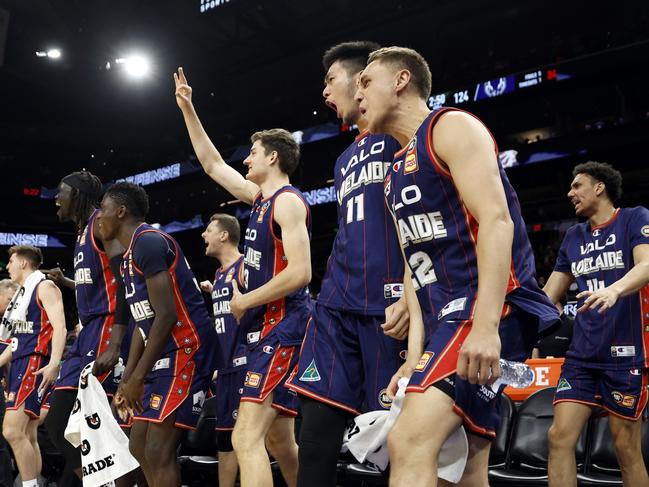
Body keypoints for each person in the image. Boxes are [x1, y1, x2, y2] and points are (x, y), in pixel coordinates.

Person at [355, 46, 559, 486]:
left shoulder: (450, 126)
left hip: (487, 308)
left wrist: (486, 326)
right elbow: (415, 266)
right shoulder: (391, 174)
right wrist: (412, 359)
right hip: (446, 318)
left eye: (366, 82)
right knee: (465, 465)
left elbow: (496, 220)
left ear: (401, 80)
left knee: (408, 442)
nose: (358, 96)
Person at [174, 67, 310, 487]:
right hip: (262, 326)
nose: (246, 159)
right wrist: (188, 109)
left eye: (253, 152)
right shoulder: (258, 200)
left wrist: (244, 300)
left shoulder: (287, 203)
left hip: (282, 324)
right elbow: (212, 163)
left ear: (273, 157)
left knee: (244, 435)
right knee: (279, 440)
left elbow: (302, 274)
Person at [283, 41, 408, 487]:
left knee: (386, 444)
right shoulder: (343, 158)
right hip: (336, 305)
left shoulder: (406, 135)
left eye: (330, 80)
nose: (324, 92)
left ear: (364, 81)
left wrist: (414, 295)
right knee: (314, 433)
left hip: (389, 305)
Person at [97, 182, 219, 487]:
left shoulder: (148, 242)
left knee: (157, 449)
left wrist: (137, 377)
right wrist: (130, 376)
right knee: (138, 446)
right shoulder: (127, 257)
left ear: (121, 211)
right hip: (164, 349)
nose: (99, 217)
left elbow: (166, 316)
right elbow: (144, 320)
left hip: (188, 347)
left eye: (104, 209)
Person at [543, 161, 649, 487]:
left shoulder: (634, 217)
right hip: (581, 357)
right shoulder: (573, 237)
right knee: (559, 437)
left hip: (626, 354)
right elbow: (549, 294)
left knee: (625, 447)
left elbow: (646, 264)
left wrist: (614, 290)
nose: (569, 193)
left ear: (599, 187)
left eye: (577, 186)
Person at [43, 171, 132, 481]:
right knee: (59, 425)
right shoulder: (83, 232)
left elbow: (124, 280)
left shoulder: (101, 224)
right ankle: (100, 478)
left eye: (61, 192)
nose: (56, 198)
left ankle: (115, 477)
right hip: (87, 333)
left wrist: (117, 342)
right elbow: (97, 281)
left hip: (107, 329)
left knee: (83, 422)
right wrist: (66, 281)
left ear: (77, 196)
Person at [1, 246, 66, 487]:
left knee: (11, 430)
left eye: (10, 261)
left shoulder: (44, 287)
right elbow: (16, 343)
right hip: (22, 360)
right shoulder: (22, 296)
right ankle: (32, 483)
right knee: (28, 434)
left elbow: (61, 327)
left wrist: (55, 363)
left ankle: (29, 485)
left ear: (23, 263)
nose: (7, 266)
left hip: (35, 362)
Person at [199, 214, 247, 487]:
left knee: (252, 440)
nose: (203, 235)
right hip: (226, 368)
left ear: (224, 235)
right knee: (225, 440)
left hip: (246, 366)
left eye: (208, 230)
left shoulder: (245, 267)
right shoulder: (219, 275)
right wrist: (213, 290)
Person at [0, 278, 19, 487]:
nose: (11, 304)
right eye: (8, 299)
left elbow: (14, 349)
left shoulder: (13, 320)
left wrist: (9, 382)